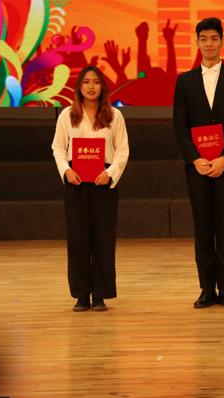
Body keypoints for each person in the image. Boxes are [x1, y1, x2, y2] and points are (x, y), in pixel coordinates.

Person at [173, 17, 224, 308]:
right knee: (203, 227)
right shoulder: (185, 81)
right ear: (197, 43)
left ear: (222, 42)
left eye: (214, 38)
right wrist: (195, 159)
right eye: (203, 38)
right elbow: (180, 125)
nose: (209, 43)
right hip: (198, 168)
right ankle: (207, 288)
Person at [51, 66, 129, 312]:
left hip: (103, 181)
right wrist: (66, 170)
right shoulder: (67, 115)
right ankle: (81, 294)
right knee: (78, 239)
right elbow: (58, 148)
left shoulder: (115, 115)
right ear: (79, 87)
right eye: (86, 82)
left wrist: (110, 174)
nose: (91, 86)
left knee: (103, 240)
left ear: (102, 86)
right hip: (76, 181)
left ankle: (101, 294)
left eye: (96, 82)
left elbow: (122, 151)